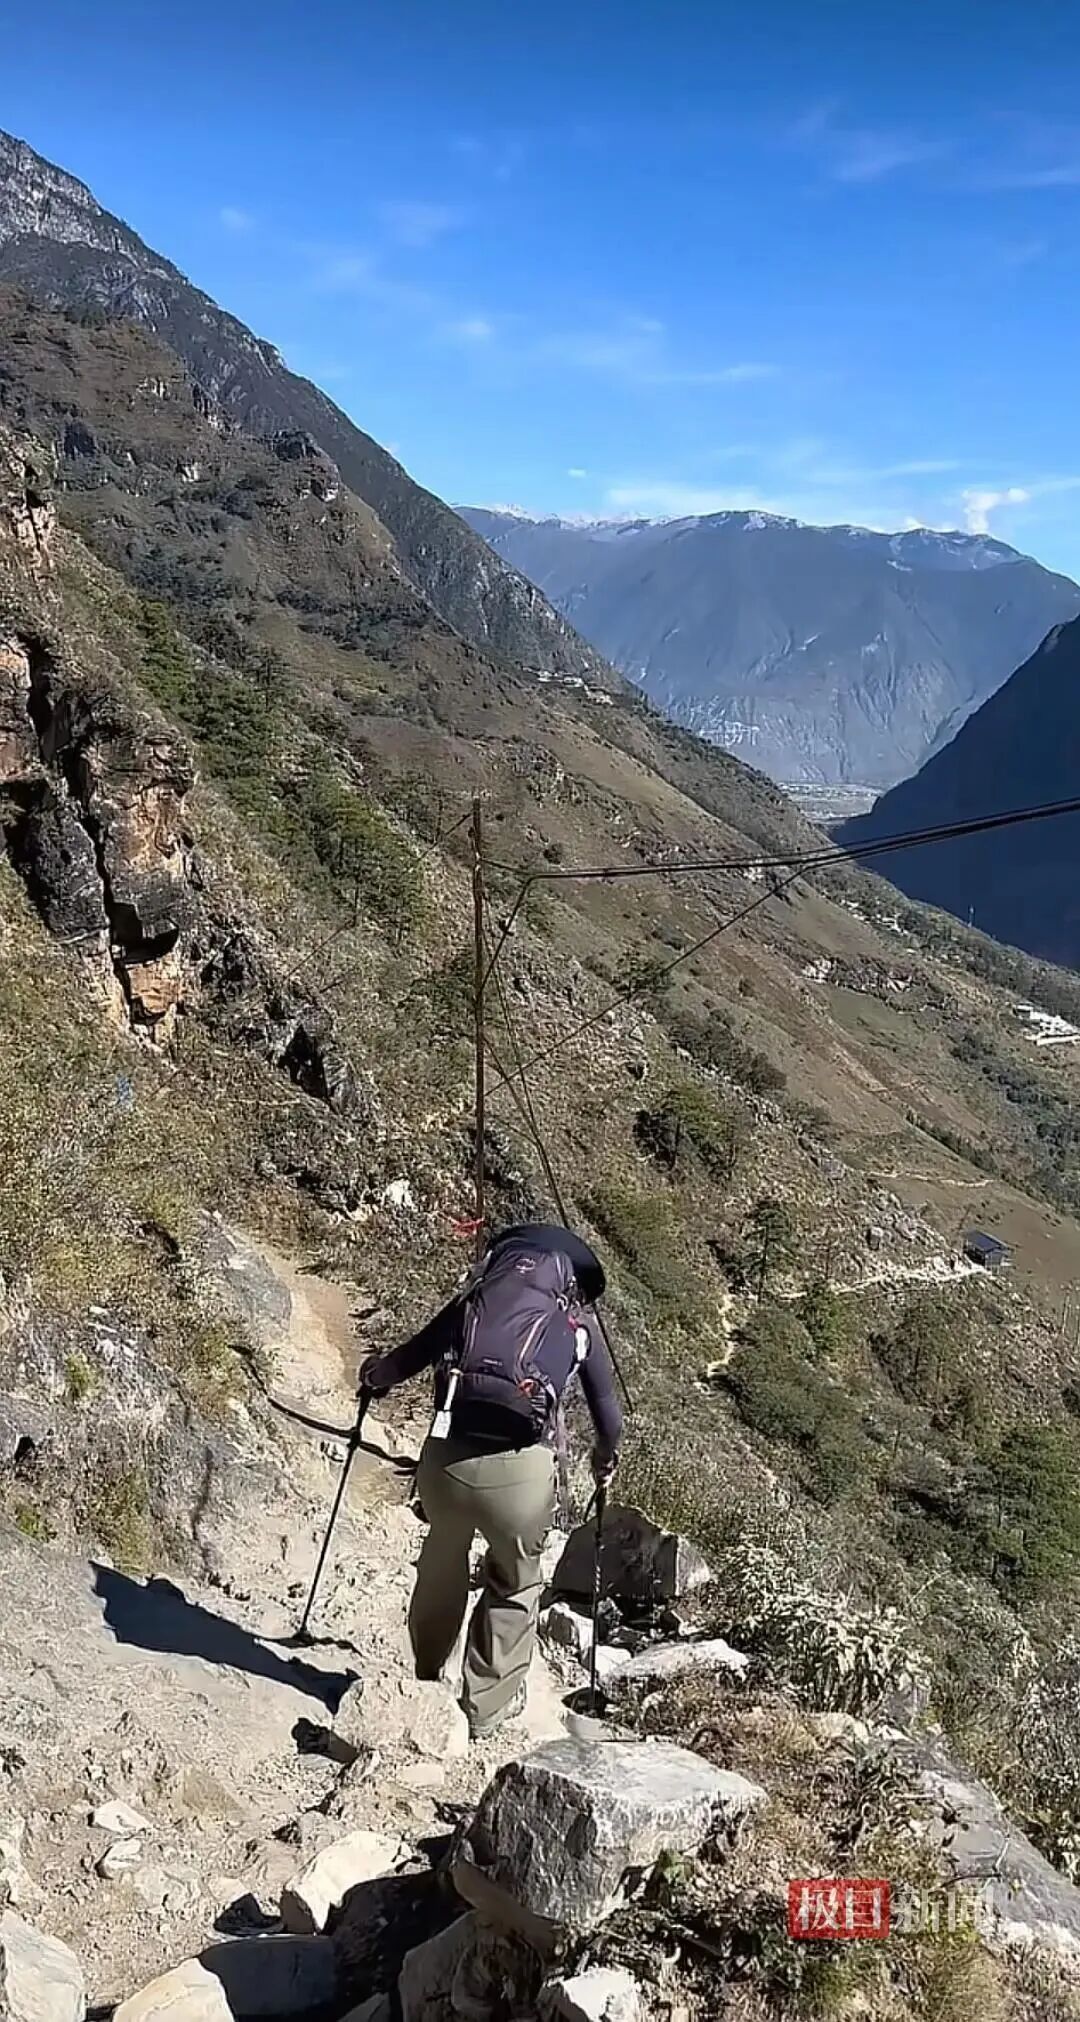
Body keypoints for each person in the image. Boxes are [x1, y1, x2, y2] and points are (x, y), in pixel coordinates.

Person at [359, 1222, 622, 1740]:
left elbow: (402, 1362)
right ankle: (483, 1711)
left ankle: (426, 1672)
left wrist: (372, 1376)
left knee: (442, 1556)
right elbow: (609, 1419)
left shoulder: (471, 1305)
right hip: (521, 1478)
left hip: (445, 1466)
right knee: (515, 1583)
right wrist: (603, 1461)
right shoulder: (577, 1329)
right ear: (568, 1282)